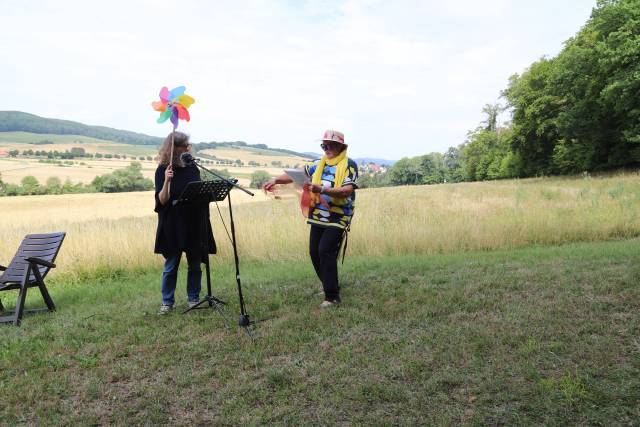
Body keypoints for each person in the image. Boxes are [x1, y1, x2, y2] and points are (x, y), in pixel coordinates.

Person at [263, 130, 358, 308]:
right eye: (324, 145)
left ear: (340, 146)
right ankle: (330, 284)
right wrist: (275, 181)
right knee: (314, 252)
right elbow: (295, 174)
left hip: (339, 215)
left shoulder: (349, 165)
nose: (327, 148)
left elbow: (347, 190)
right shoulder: (317, 164)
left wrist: (321, 189)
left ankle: (332, 296)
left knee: (325, 250)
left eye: (331, 145)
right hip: (318, 214)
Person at [154, 131, 216, 314]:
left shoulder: (192, 168)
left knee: (195, 263)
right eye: (184, 146)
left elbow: (197, 191)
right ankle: (167, 302)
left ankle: (193, 299)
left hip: (194, 221)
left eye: (188, 146)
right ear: (174, 149)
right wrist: (166, 180)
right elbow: (162, 200)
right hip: (173, 223)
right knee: (171, 264)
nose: (188, 149)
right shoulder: (162, 170)